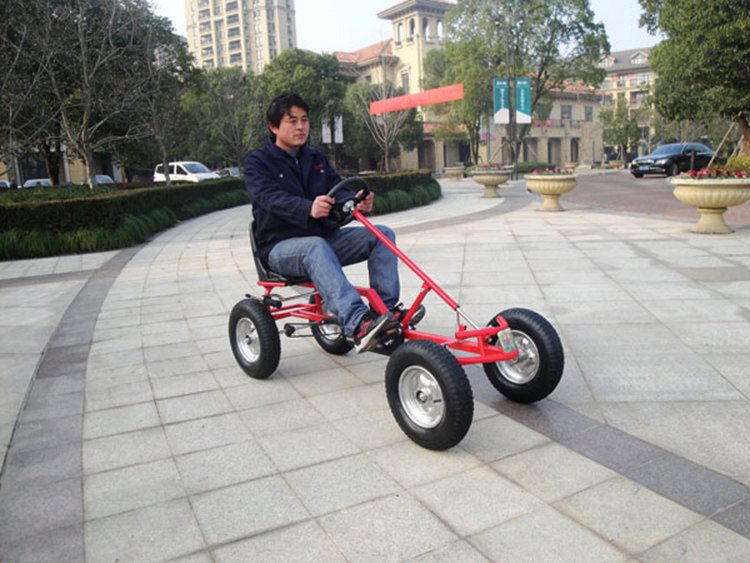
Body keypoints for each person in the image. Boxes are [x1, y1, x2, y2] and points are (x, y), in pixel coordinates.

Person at [244, 93, 415, 353]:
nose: (301, 127)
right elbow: (269, 198)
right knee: (315, 246)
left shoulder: (315, 158)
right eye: (292, 121)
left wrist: (356, 200)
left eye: (304, 120)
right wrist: (307, 208)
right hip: (279, 247)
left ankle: (385, 312)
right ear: (274, 126)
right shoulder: (258, 163)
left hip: (322, 239)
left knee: (382, 234)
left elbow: (337, 190)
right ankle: (357, 322)